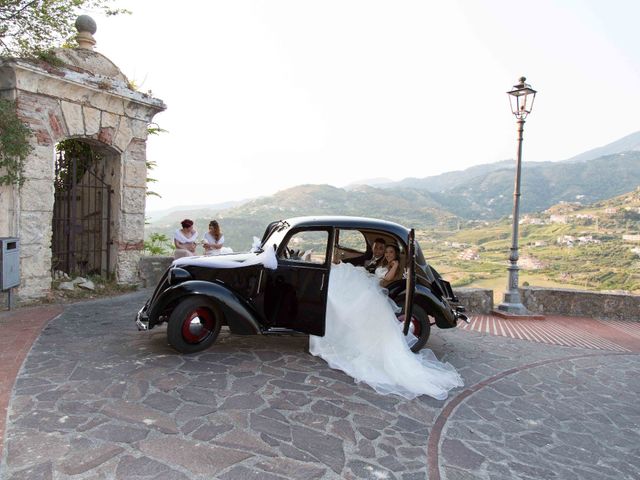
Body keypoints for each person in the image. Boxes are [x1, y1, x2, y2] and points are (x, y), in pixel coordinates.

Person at [309, 261, 463, 400]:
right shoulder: (383, 262)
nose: (387, 254)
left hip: (375, 289)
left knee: (344, 296)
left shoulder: (394, 265)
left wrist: (395, 264)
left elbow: (386, 280)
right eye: (386, 251)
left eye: (390, 252)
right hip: (372, 285)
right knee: (342, 277)